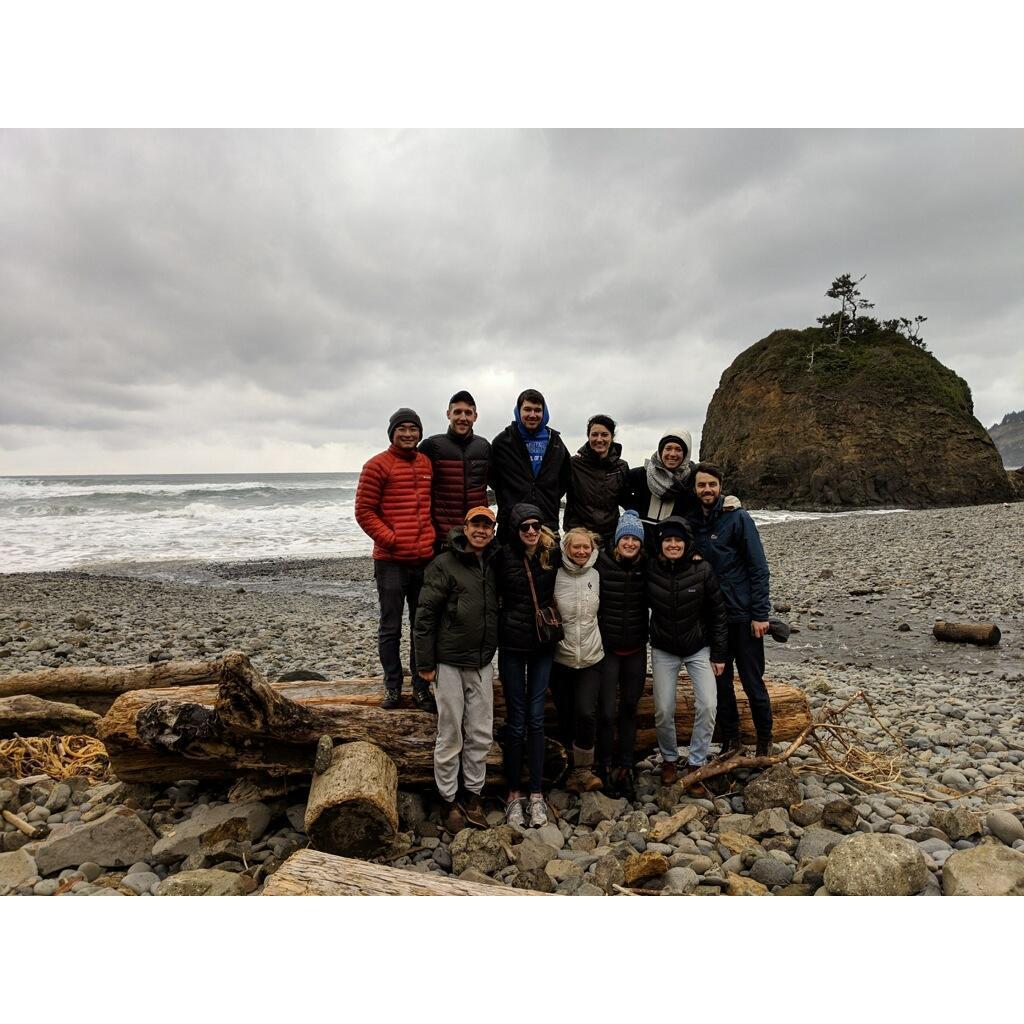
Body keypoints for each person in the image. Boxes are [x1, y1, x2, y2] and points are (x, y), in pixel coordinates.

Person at [414, 506, 499, 834]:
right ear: (464, 527)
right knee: (450, 735)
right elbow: (424, 616)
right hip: (448, 662)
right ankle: (448, 800)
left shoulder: (492, 562)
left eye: (487, 526)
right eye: (475, 525)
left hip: (481, 663)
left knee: (480, 733)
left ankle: (473, 795)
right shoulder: (444, 564)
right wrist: (424, 665)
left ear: (493, 531)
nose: (481, 531)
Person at [354, 407, 437, 713]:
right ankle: (392, 686)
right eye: (401, 428)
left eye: (413, 429)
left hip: (422, 560)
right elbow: (364, 512)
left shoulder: (426, 463)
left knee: (421, 626)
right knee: (390, 626)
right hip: (390, 561)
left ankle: (420, 686)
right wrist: (392, 538)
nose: (408, 434)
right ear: (392, 432)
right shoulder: (377, 465)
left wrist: (429, 540)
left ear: (420, 433)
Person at [688, 462, 773, 758]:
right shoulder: (693, 521)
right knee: (721, 684)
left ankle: (765, 742)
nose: (706, 489)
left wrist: (761, 614)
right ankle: (732, 740)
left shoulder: (738, 518)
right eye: (701, 485)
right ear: (694, 489)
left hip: (742, 615)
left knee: (752, 681)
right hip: (711, 618)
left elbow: (758, 567)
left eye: (711, 484)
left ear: (720, 486)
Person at [646, 516, 728, 785]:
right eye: (668, 540)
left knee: (708, 704)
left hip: (698, 648)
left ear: (686, 543)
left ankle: (696, 761)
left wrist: (719, 654)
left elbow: (717, 614)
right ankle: (669, 759)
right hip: (663, 649)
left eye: (677, 540)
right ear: (660, 544)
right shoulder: (651, 569)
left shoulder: (702, 569)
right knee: (663, 708)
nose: (672, 544)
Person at [494, 502, 561, 828]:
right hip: (510, 645)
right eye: (525, 527)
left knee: (536, 720)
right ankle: (512, 794)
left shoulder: (552, 555)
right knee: (516, 720)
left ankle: (536, 794)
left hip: (542, 645)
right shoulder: (502, 556)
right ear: (516, 530)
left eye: (536, 525)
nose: (532, 531)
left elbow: (586, 558)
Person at [594, 509, 649, 800]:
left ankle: (626, 767)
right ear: (616, 541)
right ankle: (603, 766)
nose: (629, 543)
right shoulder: (600, 563)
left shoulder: (648, 566)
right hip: (608, 649)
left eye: (634, 539)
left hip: (637, 647)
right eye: (625, 538)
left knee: (629, 706)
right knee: (605, 711)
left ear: (641, 543)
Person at [550, 527, 605, 793]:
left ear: (593, 549)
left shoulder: (598, 573)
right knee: (564, 714)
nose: (581, 552)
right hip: (561, 657)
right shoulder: (554, 573)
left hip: (592, 657)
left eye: (586, 547)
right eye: (576, 547)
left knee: (586, 712)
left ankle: (584, 769)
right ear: (566, 548)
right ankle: (566, 768)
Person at [490, 388, 571, 543]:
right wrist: (511, 496)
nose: (532, 415)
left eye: (537, 410)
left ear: (544, 412)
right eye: (527, 409)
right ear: (518, 410)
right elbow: (492, 478)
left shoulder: (554, 441)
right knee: (510, 565)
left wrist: (548, 495)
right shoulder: (503, 441)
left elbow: (566, 477)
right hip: (512, 522)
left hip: (547, 521)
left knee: (547, 565)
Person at [419, 390, 491, 551]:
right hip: (442, 537)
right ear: (448, 414)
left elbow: (497, 484)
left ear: (475, 416)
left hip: (476, 535)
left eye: (468, 413)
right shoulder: (431, 446)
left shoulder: (484, 446)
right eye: (457, 412)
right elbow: (416, 488)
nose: (463, 418)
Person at [624, 430, 700, 550]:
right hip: (638, 548)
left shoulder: (691, 481)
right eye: (668, 448)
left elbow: (709, 497)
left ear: (686, 454)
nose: (672, 454)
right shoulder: (638, 476)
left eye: (678, 449)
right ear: (660, 450)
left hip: (671, 550)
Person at [563, 414, 631, 545]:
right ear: (588, 436)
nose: (599, 439)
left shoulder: (621, 467)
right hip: (578, 538)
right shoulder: (573, 465)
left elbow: (627, 500)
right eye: (594, 434)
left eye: (604, 435)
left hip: (609, 537)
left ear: (612, 437)